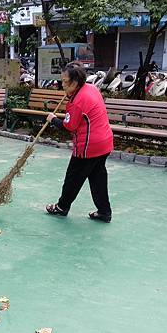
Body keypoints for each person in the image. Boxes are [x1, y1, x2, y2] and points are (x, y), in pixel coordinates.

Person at [45, 61, 114, 223]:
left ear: (75, 82)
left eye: (65, 82)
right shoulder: (90, 88)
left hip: (89, 146)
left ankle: (62, 207)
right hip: (105, 143)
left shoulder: (77, 102)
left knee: (73, 178)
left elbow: (69, 126)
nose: (62, 85)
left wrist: (53, 119)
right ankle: (104, 212)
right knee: (98, 178)